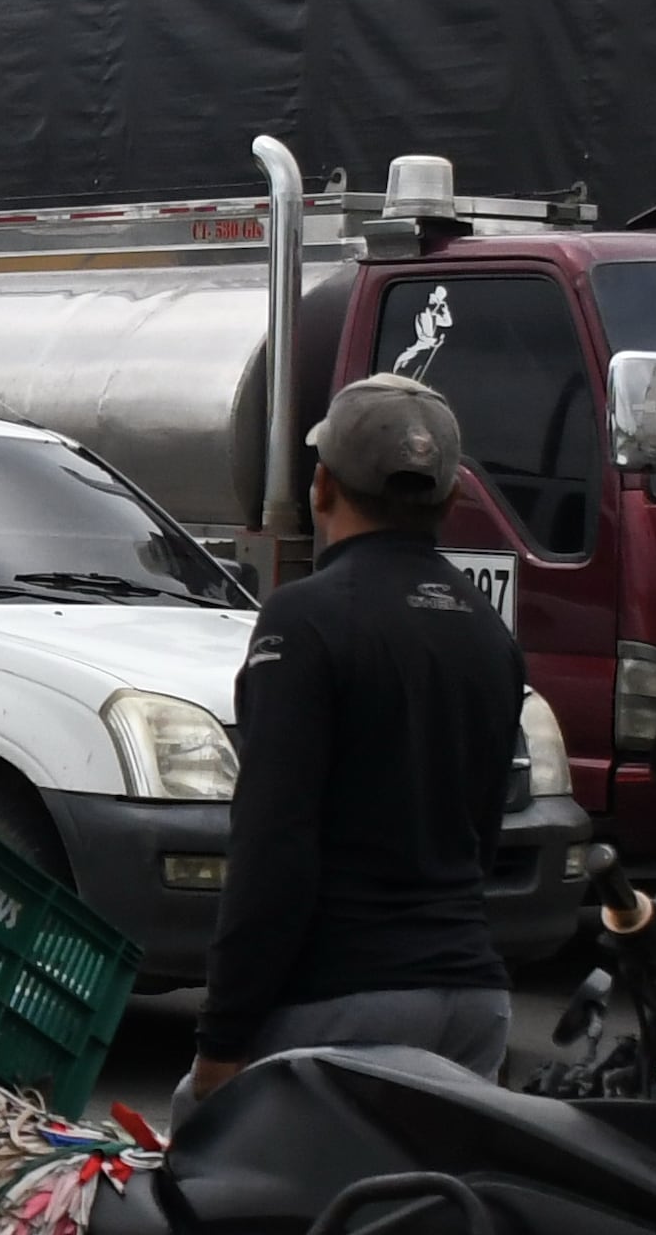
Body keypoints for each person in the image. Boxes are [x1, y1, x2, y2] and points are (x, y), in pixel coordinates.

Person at [184, 370, 524, 1104]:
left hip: (341, 1001)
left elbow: (273, 842)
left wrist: (222, 1041)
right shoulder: (489, 633)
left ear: (321, 486)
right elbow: (481, 835)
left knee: (237, 1201)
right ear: (451, 497)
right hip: (472, 998)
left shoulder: (302, 620)